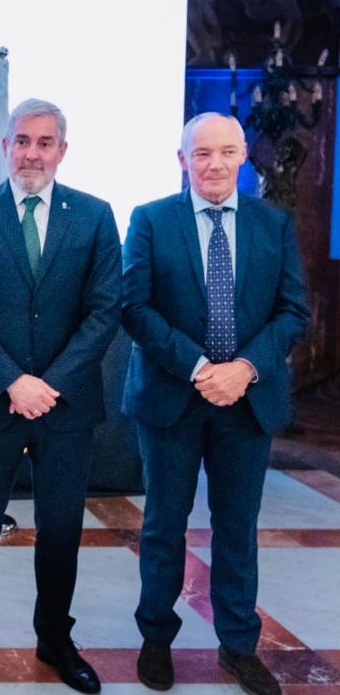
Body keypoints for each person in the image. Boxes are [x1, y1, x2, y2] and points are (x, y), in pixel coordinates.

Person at [0, 100, 121, 692]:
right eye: (22, 141)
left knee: (62, 526)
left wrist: (50, 385)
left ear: (62, 150)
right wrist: (13, 381)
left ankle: (55, 638)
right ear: (5, 147)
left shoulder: (94, 216)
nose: (32, 153)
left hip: (66, 408)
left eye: (45, 142)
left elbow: (104, 311)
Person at [122, 113, 307, 695]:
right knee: (163, 526)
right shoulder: (151, 220)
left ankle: (238, 645)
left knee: (236, 529)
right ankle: (156, 639)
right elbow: (135, 308)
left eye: (226, 152)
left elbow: (292, 313)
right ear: (182, 160)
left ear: (244, 156)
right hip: (173, 397)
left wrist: (244, 369)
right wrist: (202, 369)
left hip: (247, 401)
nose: (214, 164)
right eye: (201, 154)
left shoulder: (273, 224)